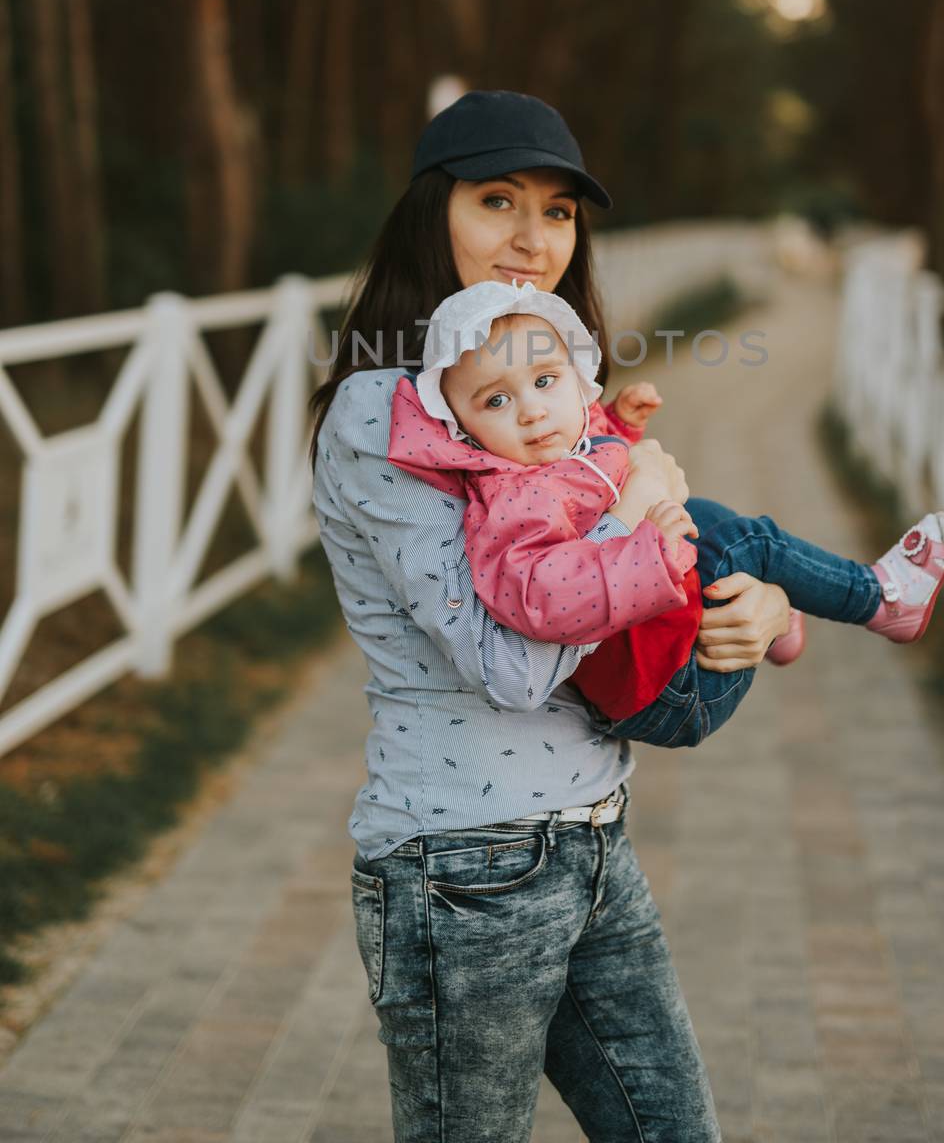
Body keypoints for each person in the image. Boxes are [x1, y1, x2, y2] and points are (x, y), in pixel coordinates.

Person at [312, 89, 793, 1143]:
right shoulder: (387, 412)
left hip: (590, 841)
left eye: (561, 212)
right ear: (429, 214)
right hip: (459, 870)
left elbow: (637, 581)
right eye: (497, 200)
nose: (533, 241)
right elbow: (512, 665)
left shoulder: (540, 386)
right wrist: (630, 524)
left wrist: (749, 607)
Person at [387, 277, 944, 751]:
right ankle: (879, 598)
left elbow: (592, 480)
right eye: (497, 401)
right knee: (745, 542)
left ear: (575, 379)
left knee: (699, 511)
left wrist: (621, 425)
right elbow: (551, 597)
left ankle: (792, 607)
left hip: (661, 670)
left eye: (544, 381)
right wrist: (644, 538)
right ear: (461, 427)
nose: (533, 412)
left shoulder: (542, 462)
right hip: (674, 695)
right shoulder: (511, 504)